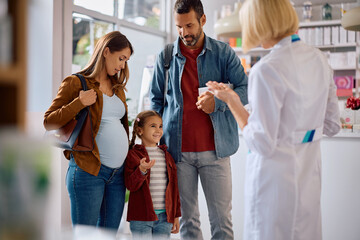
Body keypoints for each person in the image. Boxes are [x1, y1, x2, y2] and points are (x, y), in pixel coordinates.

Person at [206, 0, 341, 239]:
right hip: (308, 179)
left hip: (274, 184)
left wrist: (232, 102)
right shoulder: (319, 59)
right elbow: (331, 125)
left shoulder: (267, 69)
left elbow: (261, 142)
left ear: (259, 23)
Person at [150, 0, 248, 239]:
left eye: (189, 26)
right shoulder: (165, 56)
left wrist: (219, 103)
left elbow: (245, 88)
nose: (184, 33)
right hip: (178, 154)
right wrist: (153, 138)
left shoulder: (223, 53)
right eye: (179, 27)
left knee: (222, 223)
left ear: (203, 21)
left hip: (216, 152)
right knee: (188, 224)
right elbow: (156, 101)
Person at [44, 31, 133, 230]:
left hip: (117, 175)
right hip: (88, 172)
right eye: (121, 58)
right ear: (106, 51)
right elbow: (49, 121)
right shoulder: (76, 82)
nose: (122, 65)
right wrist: (79, 102)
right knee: (86, 235)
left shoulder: (117, 87)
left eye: (126, 61)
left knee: (109, 235)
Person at [124, 110, 181, 240]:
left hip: (165, 218)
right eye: (153, 126)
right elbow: (130, 185)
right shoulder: (133, 155)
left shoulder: (166, 156)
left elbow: (174, 188)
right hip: (141, 217)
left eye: (160, 126)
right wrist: (141, 170)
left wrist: (175, 215)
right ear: (140, 131)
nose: (158, 130)